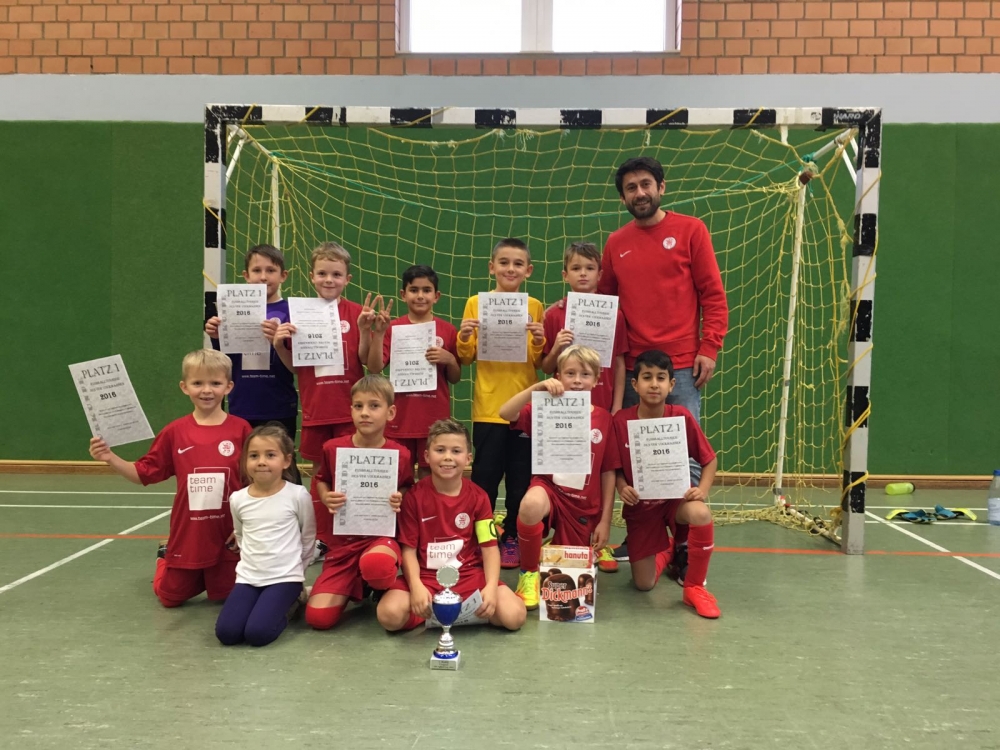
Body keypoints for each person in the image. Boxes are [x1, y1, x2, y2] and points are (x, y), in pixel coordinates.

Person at [598, 156, 728, 562]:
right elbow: (603, 305)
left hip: (683, 367)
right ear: (623, 198)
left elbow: (713, 294)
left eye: (645, 184)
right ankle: (644, 536)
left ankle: (684, 542)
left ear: (661, 188)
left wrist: (709, 347)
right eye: (631, 188)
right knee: (636, 459)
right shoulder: (616, 243)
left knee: (682, 458)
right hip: (634, 369)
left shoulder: (692, 230)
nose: (639, 193)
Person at [89, 349, 252, 608]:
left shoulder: (241, 429)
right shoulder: (174, 432)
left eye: (215, 383)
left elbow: (254, 485)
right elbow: (143, 473)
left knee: (227, 596)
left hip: (228, 534)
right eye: (197, 383)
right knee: (170, 598)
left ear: (228, 387)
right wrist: (110, 457)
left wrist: (244, 526)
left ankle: (209, 576)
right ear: (184, 387)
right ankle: (165, 557)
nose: (206, 390)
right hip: (189, 532)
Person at [376, 419, 526, 632]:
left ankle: (449, 612)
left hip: (469, 576)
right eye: (440, 450)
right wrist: (416, 586)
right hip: (426, 578)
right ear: (427, 456)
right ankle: (436, 612)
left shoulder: (479, 497)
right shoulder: (414, 498)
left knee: (514, 616)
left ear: (468, 458)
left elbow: (489, 548)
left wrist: (491, 587)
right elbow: (408, 550)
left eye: (456, 451)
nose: (448, 457)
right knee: (389, 615)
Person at [497, 345, 617, 610]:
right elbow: (505, 412)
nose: (577, 380)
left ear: (596, 379)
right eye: (570, 373)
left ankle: (549, 548)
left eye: (585, 374)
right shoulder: (545, 407)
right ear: (558, 376)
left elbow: (608, 471)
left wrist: (605, 520)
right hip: (549, 489)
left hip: (583, 504)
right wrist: (536, 388)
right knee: (530, 504)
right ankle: (528, 573)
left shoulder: (605, 419)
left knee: (567, 587)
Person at [457, 238, 546, 570]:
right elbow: (466, 357)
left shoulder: (534, 306)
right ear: (491, 267)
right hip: (488, 408)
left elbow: (537, 360)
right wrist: (465, 336)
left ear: (528, 270)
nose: (511, 268)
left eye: (518, 263)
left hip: (524, 410)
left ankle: (512, 536)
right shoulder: (475, 303)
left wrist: (539, 340)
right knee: (485, 479)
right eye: (504, 262)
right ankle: (481, 538)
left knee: (521, 480)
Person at [611, 350, 720, 619]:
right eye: (647, 377)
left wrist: (702, 490)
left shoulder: (680, 416)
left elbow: (709, 460)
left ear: (671, 385)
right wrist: (622, 486)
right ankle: (670, 550)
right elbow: (614, 468)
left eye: (661, 378)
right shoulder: (621, 420)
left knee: (700, 513)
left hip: (675, 501)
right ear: (635, 384)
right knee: (644, 584)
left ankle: (694, 587)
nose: (654, 384)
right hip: (641, 507)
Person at [541, 241, 627, 573]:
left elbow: (619, 362)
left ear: (600, 274)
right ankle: (564, 535)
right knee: (566, 473)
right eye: (576, 268)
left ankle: (600, 540)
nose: (583, 274)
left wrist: (617, 406)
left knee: (602, 472)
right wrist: (558, 346)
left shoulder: (614, 314)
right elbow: (546, 367)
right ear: (565, 274)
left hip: (602, 407)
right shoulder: (554, 315)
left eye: (589, 268)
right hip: (562, 411)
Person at [304, 374, 413, 630]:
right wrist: (325, 495)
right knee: (318, 619)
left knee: (377, 565)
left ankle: (380, 582)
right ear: (351, 410)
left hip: (380, 539)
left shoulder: (400, 454)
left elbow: (408, 485)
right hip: (343, 544)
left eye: (374, 406)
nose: (365, 413)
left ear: (390, 412)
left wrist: (400, 496)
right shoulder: (333, 448)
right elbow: (322, 479)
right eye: (358, 406)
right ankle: (359, 584)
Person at [215, 424, 316, 646]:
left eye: (270, 455)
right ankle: (265, 602)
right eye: (254, 455)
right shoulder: (238, 499)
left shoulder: (297, 495)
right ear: (245, 460)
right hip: (249, 578)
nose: (261, 461)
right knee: (227, 634)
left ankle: (294, 600)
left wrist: (298, 573)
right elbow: (241, 535)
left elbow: (308, 538)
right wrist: (253, 567)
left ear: (286, 461)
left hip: (286, 578)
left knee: (258, 634)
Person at [367, 264, 461, 479]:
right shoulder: (392, 328)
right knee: (400, 475)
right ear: (403, 294)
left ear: (436, 296)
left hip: (434, 418)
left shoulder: (448, 330)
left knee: (431, 475)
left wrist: (450, 359)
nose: (420, 296)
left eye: (426, 290)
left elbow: (455, 378)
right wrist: (378, 334)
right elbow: (374, 367)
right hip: (400, 417)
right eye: (414, 290)